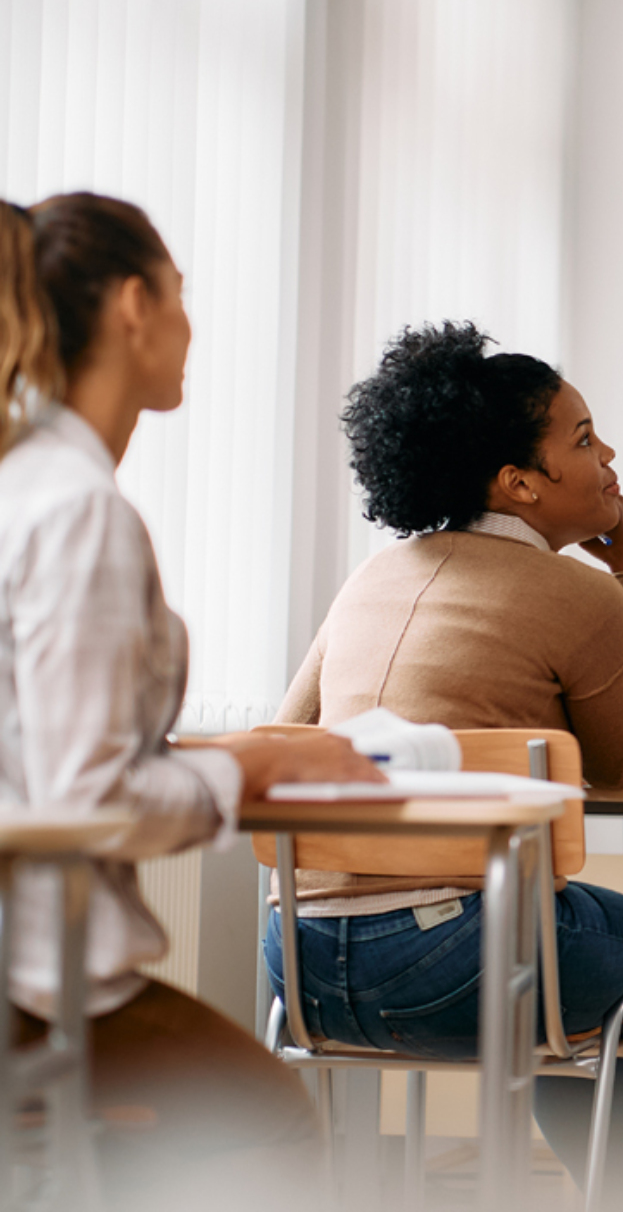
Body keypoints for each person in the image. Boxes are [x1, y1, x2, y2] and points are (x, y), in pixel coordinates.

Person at [269, 322, 623, 1197]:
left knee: (540, 937)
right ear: (520, 485)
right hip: (455, 965)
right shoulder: (583, 595)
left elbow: (287, 737)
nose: (609, 452)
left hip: (301, 962)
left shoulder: (372, 577)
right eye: (582, 439)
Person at [0, 193, 379, 1202]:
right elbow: (83, 803)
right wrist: (247, 765)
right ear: (133, 305)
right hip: (32, 984)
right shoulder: (76, 510)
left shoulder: (23, 485)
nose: (191, 327)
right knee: (272, 1126)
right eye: (182, 295)